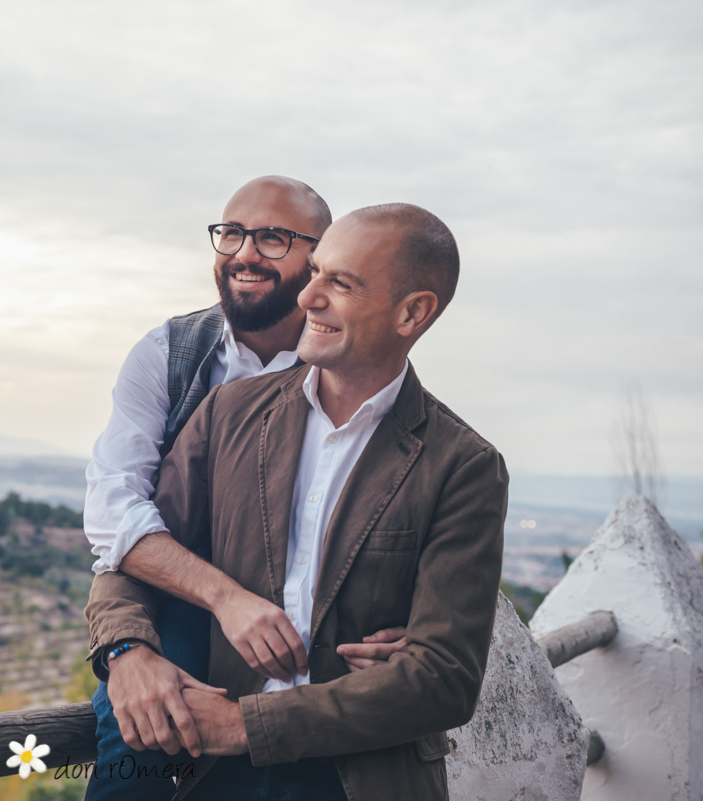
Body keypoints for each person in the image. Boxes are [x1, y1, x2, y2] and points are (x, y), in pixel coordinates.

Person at [86, 204, 508, 801]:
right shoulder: (229, 414)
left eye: (340, 283)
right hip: (210, 775)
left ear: (412, 312)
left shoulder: (464, 466)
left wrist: (243, 726)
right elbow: (135, 552)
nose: (308, 297)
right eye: (316, 272)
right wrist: (125, 649)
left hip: (359, 778)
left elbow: (445, 680)